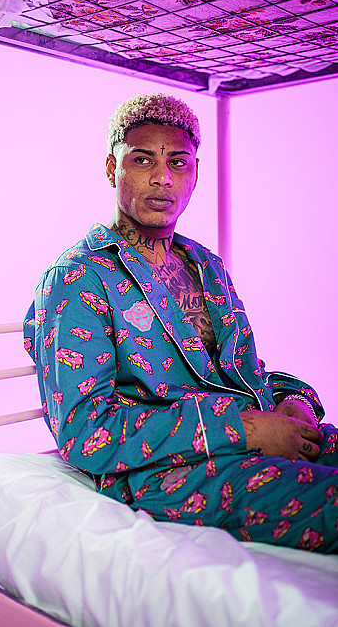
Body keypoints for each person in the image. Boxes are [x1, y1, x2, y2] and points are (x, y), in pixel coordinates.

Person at [23, 93, 338, 553]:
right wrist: (243, 429)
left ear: (195, 173)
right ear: (112, 168)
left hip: (258, 433)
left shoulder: (206, 265)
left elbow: (238, 374)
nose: (162, 177)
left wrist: (294, 401)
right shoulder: (76, 278)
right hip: (171, 470)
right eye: (142, 160)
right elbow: (85, 431)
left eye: (178, 162)